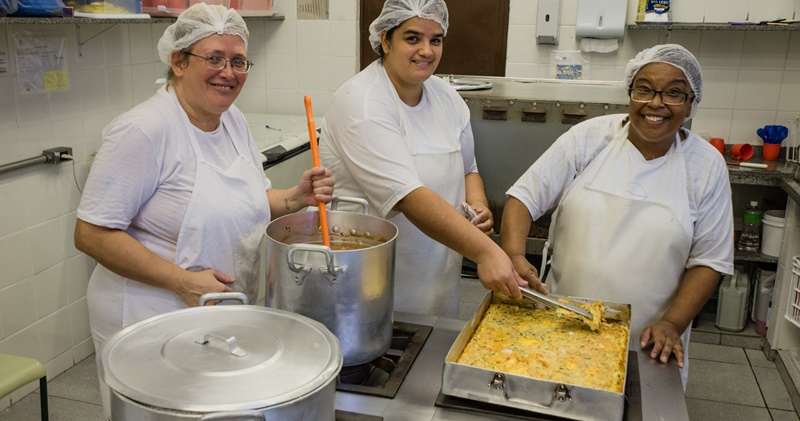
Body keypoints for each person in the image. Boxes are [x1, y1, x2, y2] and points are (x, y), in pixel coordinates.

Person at [74, 3, 334, 416]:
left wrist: (293, 198)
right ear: (178, 61)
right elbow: (91, 235)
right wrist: (182, 281)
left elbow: (244, 202)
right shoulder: (143, 131)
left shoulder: (233, 122)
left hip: (215, 311)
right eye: (213, 58)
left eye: (238, 61)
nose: (228, 73)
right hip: (151, 317)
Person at [501, 44, 734, 386]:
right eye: (644, 89)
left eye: (673, 93)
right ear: (630, 93)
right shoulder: (589, 138)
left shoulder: (705, 165)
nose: (656, 103)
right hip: (562, 322)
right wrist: (514, 254)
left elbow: (710, 259)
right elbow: (523, 197)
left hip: (649, 343)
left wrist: (672, 324)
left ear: (690, 103)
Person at [319, 0, 525, 317]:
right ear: (385, 40)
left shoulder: (447, 98)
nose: (426, 51)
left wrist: (478, 204)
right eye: (413, 38)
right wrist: (486, 252)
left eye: (436, 39)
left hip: (438, 274)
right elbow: (407, 197)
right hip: (367, 280)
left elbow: (469, 169)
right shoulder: (362, 104)